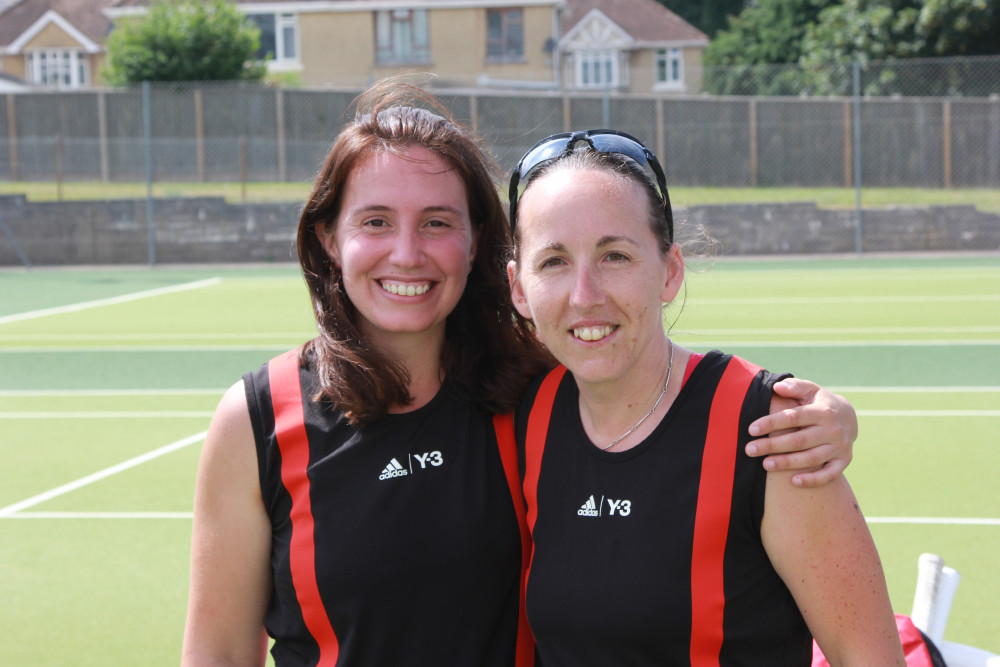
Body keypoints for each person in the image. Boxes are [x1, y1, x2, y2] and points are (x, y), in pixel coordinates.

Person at [180, 81, 860, 667]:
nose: (407, 253)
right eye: (376, 221)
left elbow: (644, 378)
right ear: (329, 237)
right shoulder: (259, 419)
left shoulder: (528, 390)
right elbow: (217, 651)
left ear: (478, 242)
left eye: (438, 221)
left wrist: (818, 413)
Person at [505, 129, 906, 666]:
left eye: (615, 256)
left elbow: (871, 659)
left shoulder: (772, 432)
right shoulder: (525, 415)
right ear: (517, 288)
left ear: (669, 271)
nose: (585, 295)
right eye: (553, 261)